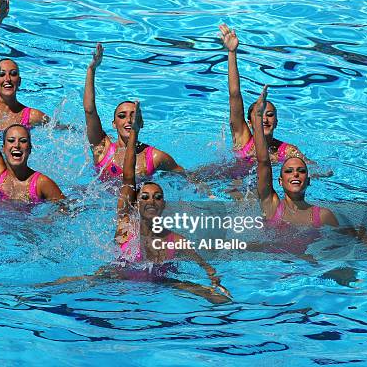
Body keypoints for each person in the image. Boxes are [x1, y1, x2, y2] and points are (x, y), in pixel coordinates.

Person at [40, 103, 231, 304]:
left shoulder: (176, 240)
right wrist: (134, 137)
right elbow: (128, 177)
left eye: (157, 197)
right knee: (77, 282)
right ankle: (35, 292)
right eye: (145, 197)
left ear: (164, 205)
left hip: (161, 285)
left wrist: (214, 280)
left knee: (218, 298)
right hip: (115, 280)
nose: (150, 201)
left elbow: (205, 266)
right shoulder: (126, 225)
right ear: (136, 203)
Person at [84, 43, 184, 180]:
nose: (129, 120)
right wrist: (91, 69)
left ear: (141, 122)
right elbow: (89, 111)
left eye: (133, 115)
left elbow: (184, 175)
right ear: (114, 124)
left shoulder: (154, 157)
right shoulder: (102, 149)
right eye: (122, 116)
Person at [0, 54, 65, 203]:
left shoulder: (41, 183)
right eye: (11, 140)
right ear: (3, 147)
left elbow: (66, 211)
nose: (16, 145)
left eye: (23, 141)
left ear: (31, 148)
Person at [252, 85, 337, 229]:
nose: (295, 174)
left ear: (309, 180)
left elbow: (345, 242)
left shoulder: (323, 216)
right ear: (279, 181)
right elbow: (263, 161)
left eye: (302, 171)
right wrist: (258, 117)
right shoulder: (271, 207)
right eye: (288, 171)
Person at [219, 24, 304, 164]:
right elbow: (234, 94)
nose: (265, 120)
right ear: (250, 123)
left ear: (276, 122)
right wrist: (232, 52)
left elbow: (318, 171)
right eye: (260, 115)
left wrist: (276, 160)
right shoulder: (242, 138)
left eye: (270, 115)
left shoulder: (287, 151)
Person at [0, 0, 55, 131]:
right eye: (1, 74)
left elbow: (62, 129)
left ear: (20, 82)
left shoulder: (32, 116)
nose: (8, 79)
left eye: (13, 73)